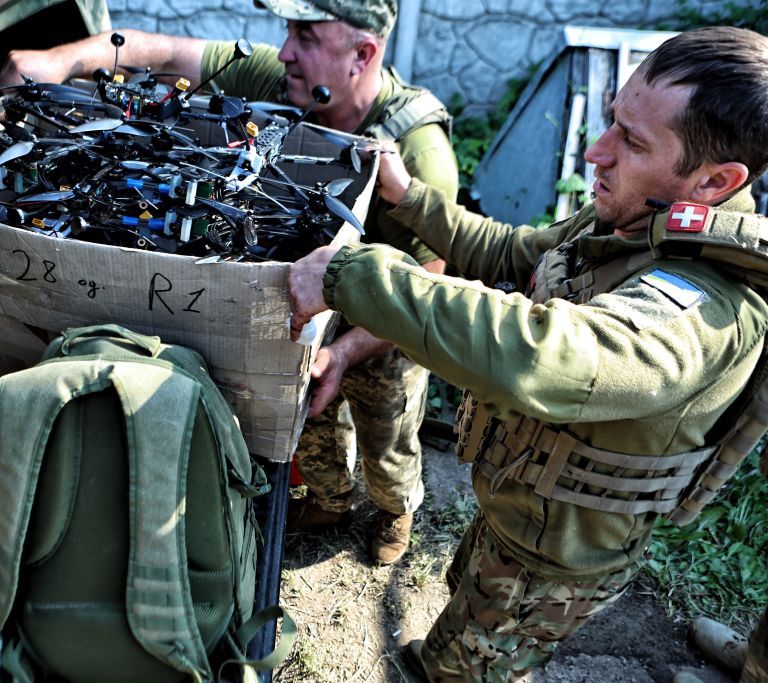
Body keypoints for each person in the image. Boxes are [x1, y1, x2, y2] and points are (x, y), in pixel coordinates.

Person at [288, 26, 768, 680]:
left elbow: (543, 354)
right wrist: (410, 198)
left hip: (549, 564)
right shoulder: (637, 219)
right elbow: (516, 253)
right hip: (516, 517)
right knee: (467, 594)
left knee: (465, 666)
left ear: (715, 180)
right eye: (611, 122)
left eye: (631, 141)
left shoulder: (706, 309)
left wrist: (354, 276)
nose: (597, 153)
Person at [0, 0, 460, 565]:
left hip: (385, 323)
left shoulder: (420, 149)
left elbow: (433, 277)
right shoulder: (289, 79)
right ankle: (329, 500)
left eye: (307, 37)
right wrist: (59, 59)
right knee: (309, 428)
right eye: (289, 31)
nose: (286, 50)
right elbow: (166, 52)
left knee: (386, 441)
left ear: (361, 54)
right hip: (308, 309)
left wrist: (344, 352)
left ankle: (395, 510)